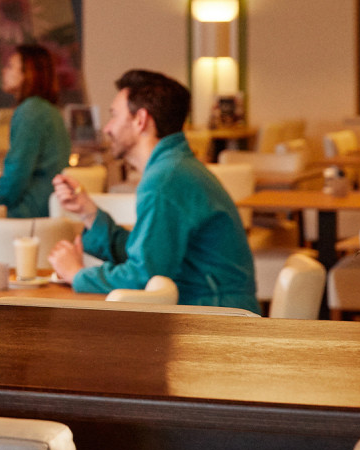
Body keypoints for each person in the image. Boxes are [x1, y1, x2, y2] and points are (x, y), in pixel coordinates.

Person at [46, 69, 259, 313]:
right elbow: (149, 254)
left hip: (215, 319)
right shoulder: (173, 167)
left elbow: (143, 275)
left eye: (114, 116)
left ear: (141, 120)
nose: (107, 128)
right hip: (214, 311)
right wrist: (89, 213)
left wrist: (78, 274)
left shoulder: (165, 179)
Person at [0, 44, 72, 218]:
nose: (4, 71)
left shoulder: (30, 111)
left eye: (11, 66)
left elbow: (17, 173)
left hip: (28, 213)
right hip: (48, 209)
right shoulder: (49, 110)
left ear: (28, 73)